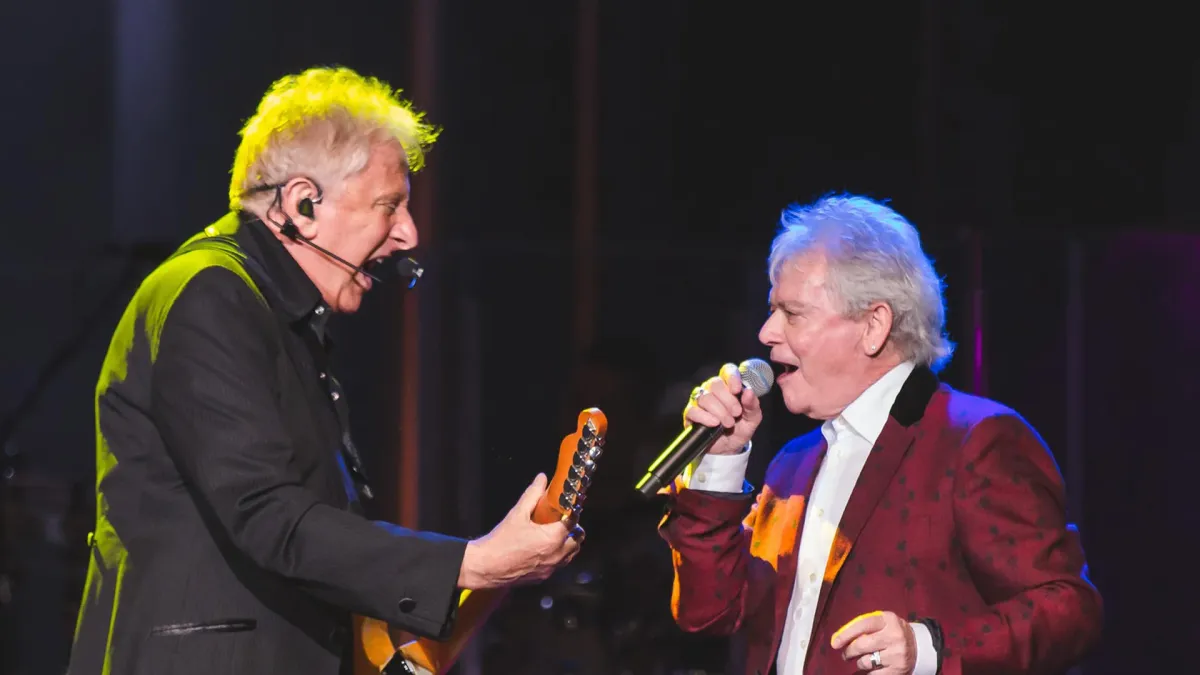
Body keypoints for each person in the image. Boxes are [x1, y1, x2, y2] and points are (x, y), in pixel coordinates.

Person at [67, 66, 582, 675]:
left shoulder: (272, 313)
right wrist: (474, 563)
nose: (408, 233)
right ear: (302, 204)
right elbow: (266, 514)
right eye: (390, 206)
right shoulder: (210, 295)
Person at [658, 194, 1102, 675]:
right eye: (772, 310)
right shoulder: (793, 464)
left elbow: (1067, 610)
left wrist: (927, 649)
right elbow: (708, 613)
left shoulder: (973, 442)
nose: (767, 332)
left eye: (793, 313)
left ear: (874, 326)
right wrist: (719, 465)